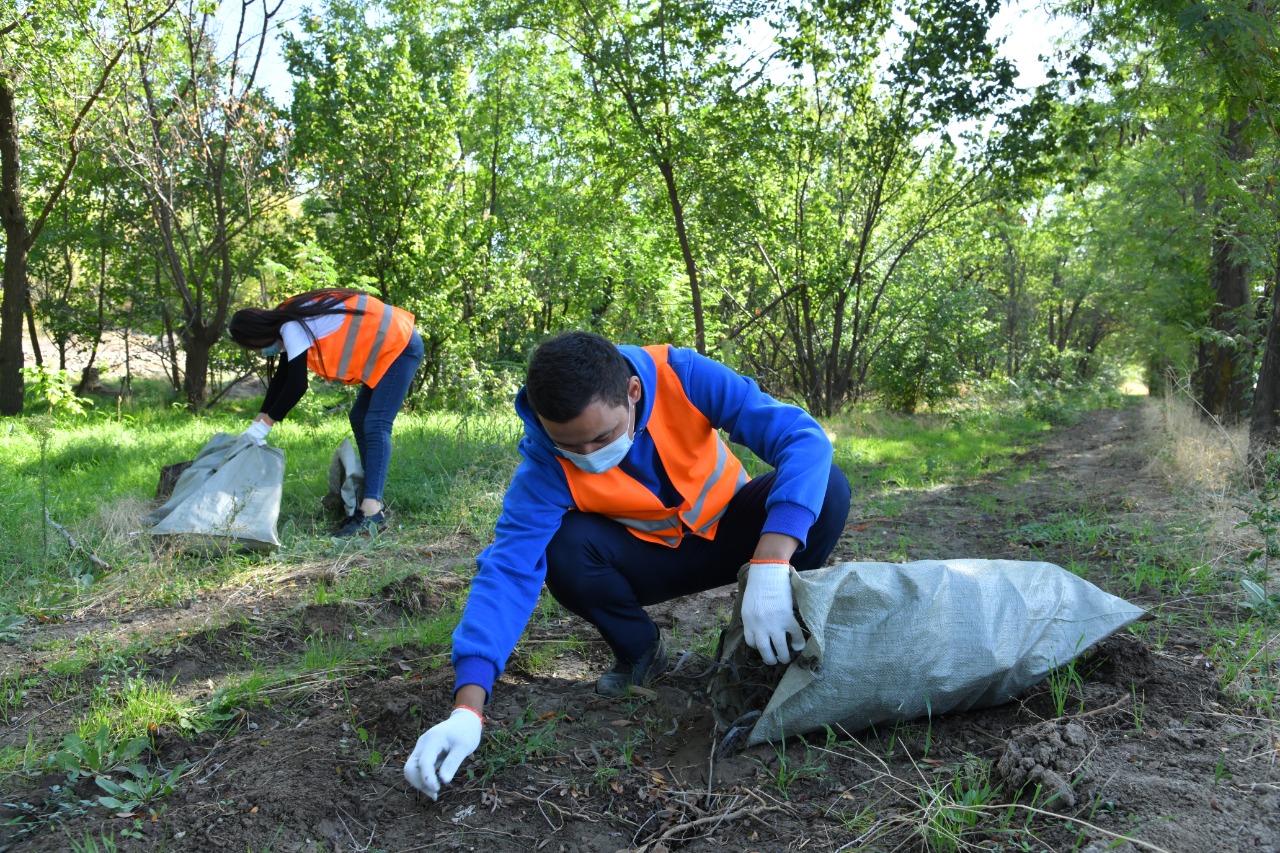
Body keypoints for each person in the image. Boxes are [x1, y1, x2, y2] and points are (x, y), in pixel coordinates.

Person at [403, 330, 851, 799]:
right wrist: (466, 709)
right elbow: (507, 573)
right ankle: (640, 651)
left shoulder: (684, 376)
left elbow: (803, 438)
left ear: (632, 392)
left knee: (829, 488)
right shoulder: (543, 465)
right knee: (563, 547)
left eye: (602, 437)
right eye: (570, 447)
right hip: (654, 559)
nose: (589, 458)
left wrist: (771, 560)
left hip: (738, 530)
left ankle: (777, 628)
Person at [228, 288, 423, 537]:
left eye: (254, 347)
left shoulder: (291, 326)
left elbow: (297, 384)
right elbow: (282, 377)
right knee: (360, 418)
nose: (258, 352)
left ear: (257, 335)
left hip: (400, 346)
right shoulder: (287, 320)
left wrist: (265, 425)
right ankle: (368, 499)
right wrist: (260, 418)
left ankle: (372, 511)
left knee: (376, 423)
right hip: (387, 349)